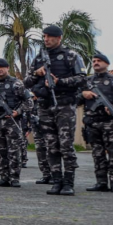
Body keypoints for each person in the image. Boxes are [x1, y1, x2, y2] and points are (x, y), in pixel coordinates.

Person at [24, 25, 87, 195]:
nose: (46, 39)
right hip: (45, 106)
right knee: (51, 146)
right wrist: (37, 74)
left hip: (64, 105)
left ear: (59, 38)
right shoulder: (38, 59)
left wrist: (59, 82)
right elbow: (26, 83)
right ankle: (56, 180)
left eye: (50, 36)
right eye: (44, 36)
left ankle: (68, 182)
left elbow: (82, 79)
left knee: (65, 145)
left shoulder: (71, 55)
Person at [81, 53, 113, 193]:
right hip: (93, 123)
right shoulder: (87, 82)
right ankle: (101, 182)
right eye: (94, 61)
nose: (96, 63)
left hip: (111, 123)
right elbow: (75, 99)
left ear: (107, 64)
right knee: (97, 154)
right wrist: (83, 94)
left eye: (99, 61)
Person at [0, 58, 32, 188]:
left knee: (14, 150)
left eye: (1, 67)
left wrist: (17, 112)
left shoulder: (17, 83)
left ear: (7, 68)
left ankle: (14, 177)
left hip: (12, 122)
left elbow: (29, 102)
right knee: (0, 151)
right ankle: (4, 177)